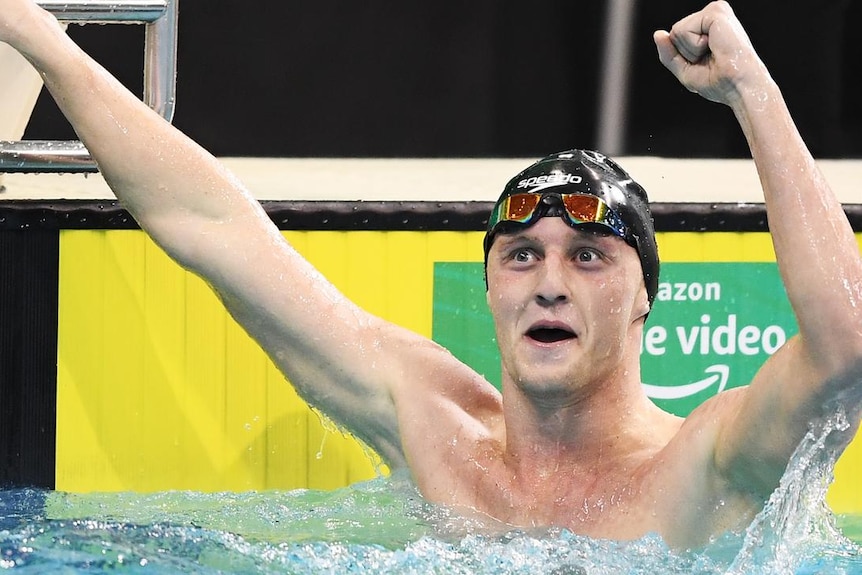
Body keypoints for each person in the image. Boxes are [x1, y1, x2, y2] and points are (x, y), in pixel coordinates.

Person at [2, 0, 860, 549]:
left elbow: (848, 344)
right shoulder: (436, 429)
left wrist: (752, 90)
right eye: (521, 255)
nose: (548, 281)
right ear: (491, 289)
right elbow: (214, 226)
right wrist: (38, 35)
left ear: (645, 299)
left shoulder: (704, 464)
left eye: (589, 255)